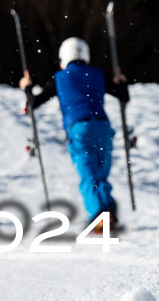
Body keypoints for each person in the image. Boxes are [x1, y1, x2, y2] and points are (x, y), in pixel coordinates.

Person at [19, 37, 130, 232]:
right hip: (103, 127)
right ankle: (107, 211)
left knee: (88, 173)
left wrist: (26, 87)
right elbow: (123, 96)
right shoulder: (98, 74)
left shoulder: (60, 77)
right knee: (101, 173)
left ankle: (100, 215)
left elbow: (32, 104)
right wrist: (122, 83)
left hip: (79, 128)